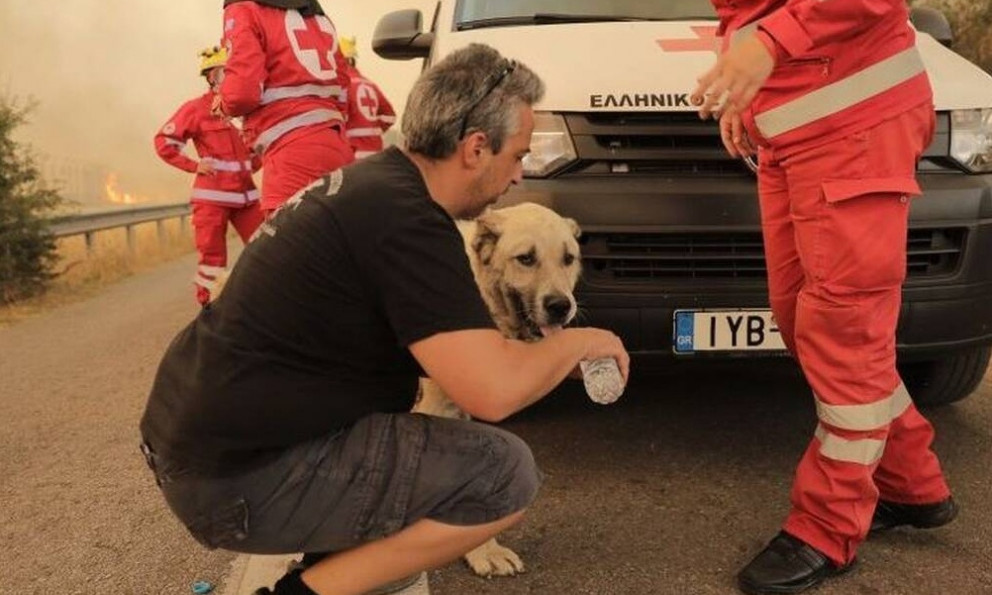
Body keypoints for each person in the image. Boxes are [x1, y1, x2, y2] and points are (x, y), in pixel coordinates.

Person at [139, 43, 630, 595]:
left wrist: (554, 356)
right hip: (231, 483)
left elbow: (473, 361)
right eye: (517, 156)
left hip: (205, 448)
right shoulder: (409, 225)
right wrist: (585, 341)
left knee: (397, 537)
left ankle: (335, 559)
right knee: (501, 472)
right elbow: (490, 393)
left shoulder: (379, 188)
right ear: (474, 148)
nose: (518, 176)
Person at [691, 1, 958, 593]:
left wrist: (772, 44)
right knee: (806, 324)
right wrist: (751, 99)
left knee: (844, 333)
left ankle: (827, 528)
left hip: (855, 130)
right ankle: (911, 483)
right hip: (799, 135)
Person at [216, 0, 354, 215]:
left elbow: (241, 94)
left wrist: (224, 104)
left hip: (291, 153)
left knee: (286, 245)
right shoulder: (316, 12)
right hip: (336, 144)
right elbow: (343, 82)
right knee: (337, 244)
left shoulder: (243, 7)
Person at [154, 45, 264, 306]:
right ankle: (210, 310)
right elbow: (164, 141)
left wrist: (254, 162)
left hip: (247, 197)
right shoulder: (196, 109)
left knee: (267, 246)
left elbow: (258, 144)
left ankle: (265, 301)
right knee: (213, 262)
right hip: (212, 199)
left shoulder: (245, 108)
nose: (231, 76)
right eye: (224, 72)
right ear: (211, 77)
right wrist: (194, 166)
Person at [339, 36, 396, 159]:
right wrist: (372, 129)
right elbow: (390, 117)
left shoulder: (343, 86)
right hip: (375, 155)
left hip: (353, 156)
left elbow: (341, 120)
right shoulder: (370, 84)